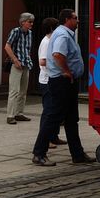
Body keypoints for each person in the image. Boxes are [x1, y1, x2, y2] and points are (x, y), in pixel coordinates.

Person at [31, 9, 95, 166]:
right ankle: (39, 153)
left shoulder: (65, 34)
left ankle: (77, 154)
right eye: (75, 18)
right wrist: (66, 71)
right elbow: (58, 55)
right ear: (67, 19)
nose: (78, 21)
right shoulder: (62, 35)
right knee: (54, 117)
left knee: (71, 119)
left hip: (67, 82)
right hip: (61, 82)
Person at [37, 17, 67, 147]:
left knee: (55, 109)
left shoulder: (52, 40)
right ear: (51, 28)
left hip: (52, 78)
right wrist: (58, 62)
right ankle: (46, 138)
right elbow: (42, 61)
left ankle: (54, 135)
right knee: (48, 110)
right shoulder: (46, 42)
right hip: (46, 79)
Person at [4, 12, 35, 125]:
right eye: (29, 22)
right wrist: (15, 60)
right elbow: (7, 46)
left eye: (32, 22)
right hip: (16, 65)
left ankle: (19, 113)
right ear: (23, 22)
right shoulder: (16, 31)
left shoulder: (30, 33)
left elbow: (27, 49)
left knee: (23, 91)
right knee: (14, 91)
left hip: (26, 64)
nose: (31, 24)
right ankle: (10, 115)